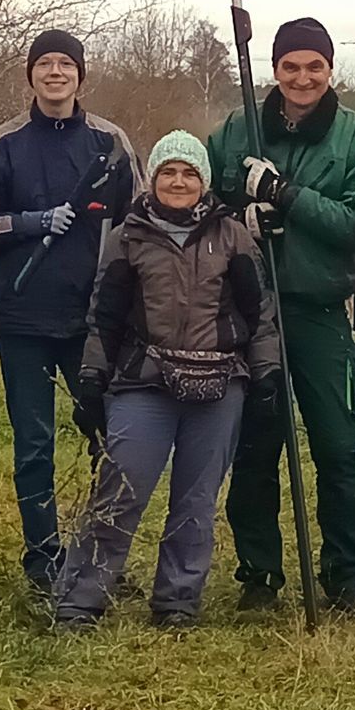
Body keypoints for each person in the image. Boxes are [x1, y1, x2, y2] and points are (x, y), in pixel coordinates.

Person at [56, 132, 279, 630]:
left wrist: (266, 372)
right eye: (168, 172)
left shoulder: (233, 236)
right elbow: (104, 316)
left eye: (189, 173)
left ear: (203, 181)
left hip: (221, 382)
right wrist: (92, 378)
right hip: (143, 381)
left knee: (197, 499)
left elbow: (260, 312)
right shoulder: (128, 236)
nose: (178, 182)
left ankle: (178, 600)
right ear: (153, 179)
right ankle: (80, 598)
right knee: (121, 489)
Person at [0, 30, 137, 597]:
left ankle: (100, 558)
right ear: (30, 75)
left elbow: (141, 227)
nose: (55, 73)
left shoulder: (111, 144)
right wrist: (31, 222)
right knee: (34, 446)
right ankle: (44, 560)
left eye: (66, 64)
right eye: (44, 64)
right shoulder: (0, 146)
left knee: (111, 438)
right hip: (22, 321)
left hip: (93, 323)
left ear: (81, 75)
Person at [207, 17, 355, 613]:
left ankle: (346, 574)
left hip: (319, 310)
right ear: (275, 70)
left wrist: (288, 197)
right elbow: (201, 203)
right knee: (257, 447)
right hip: (251, 311)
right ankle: (259, 576)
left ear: (330, 70)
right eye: (290, 67)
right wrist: (239, 215)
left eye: (314, 66)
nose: (302, 77)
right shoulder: (239, 129)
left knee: (338, 447)